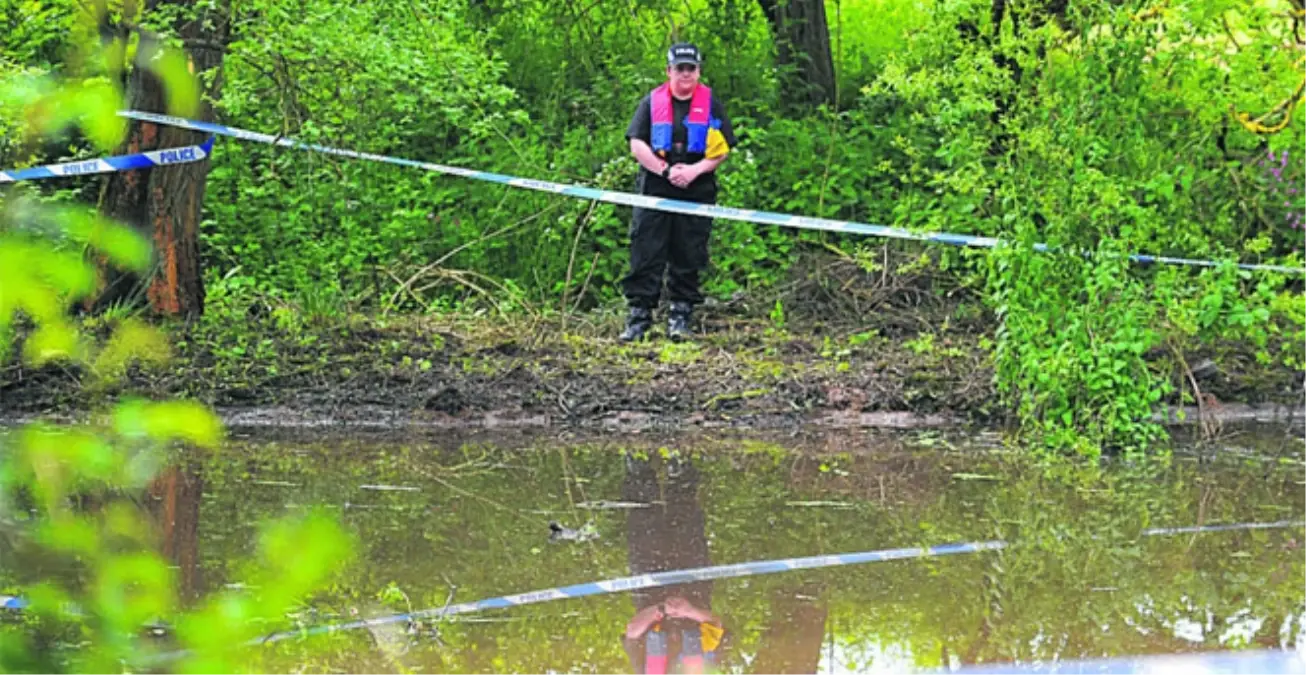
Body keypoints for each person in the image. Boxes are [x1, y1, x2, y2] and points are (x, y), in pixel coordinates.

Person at [620, 42, 737, 342]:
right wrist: (666, 171)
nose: (685, 74)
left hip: (696, 185)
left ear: (698, 71)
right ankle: (639, 316)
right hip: (657, 183)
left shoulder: (711, 103)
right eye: (680, 68)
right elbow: (637, 144)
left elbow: (722, 150)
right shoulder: (651, 102)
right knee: (646, 248)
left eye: (691, 69)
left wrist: (694, 171)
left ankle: (681, 315)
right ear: (668, 70)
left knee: (689, 250)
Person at [621, 453, 727, 673]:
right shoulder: (705, 667)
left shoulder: (645, 670)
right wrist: (689, 611)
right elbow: (716, 624)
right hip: (694, 581)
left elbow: (632, 632)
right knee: (686, 520)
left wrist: (659, 610)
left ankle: (639, 465)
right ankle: (680, 465)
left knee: (643, 519)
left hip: (648, 582)